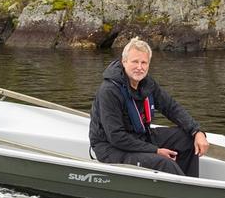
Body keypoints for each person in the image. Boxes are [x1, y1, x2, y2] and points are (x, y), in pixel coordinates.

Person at [89, 38, 209, 176]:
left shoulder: (147, 84)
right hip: (111, 147)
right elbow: (116, 136)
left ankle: (190, 184)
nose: (139, 67)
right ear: (124, 62)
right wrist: (155, 150)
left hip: (140, 137)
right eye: (135, 62)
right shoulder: (109, 91)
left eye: (143, 63)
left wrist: (197, 131)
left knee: (188, 139)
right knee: (164, 163)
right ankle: (185, 193)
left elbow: (171, 108)